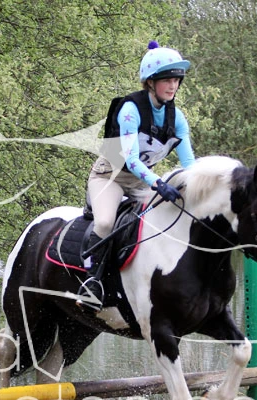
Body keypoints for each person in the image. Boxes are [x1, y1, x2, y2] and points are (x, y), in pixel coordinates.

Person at [77, 40, 196, 312]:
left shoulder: (177, 118)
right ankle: (91, 282)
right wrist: (159, 183)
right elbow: (130, 160)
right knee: (105, 222)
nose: (173, 86)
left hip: (142, 181)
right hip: (110, 176)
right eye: (167, 80)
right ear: (150, 82)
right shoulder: (130, 109)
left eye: (176, 80)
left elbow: (189, 164)